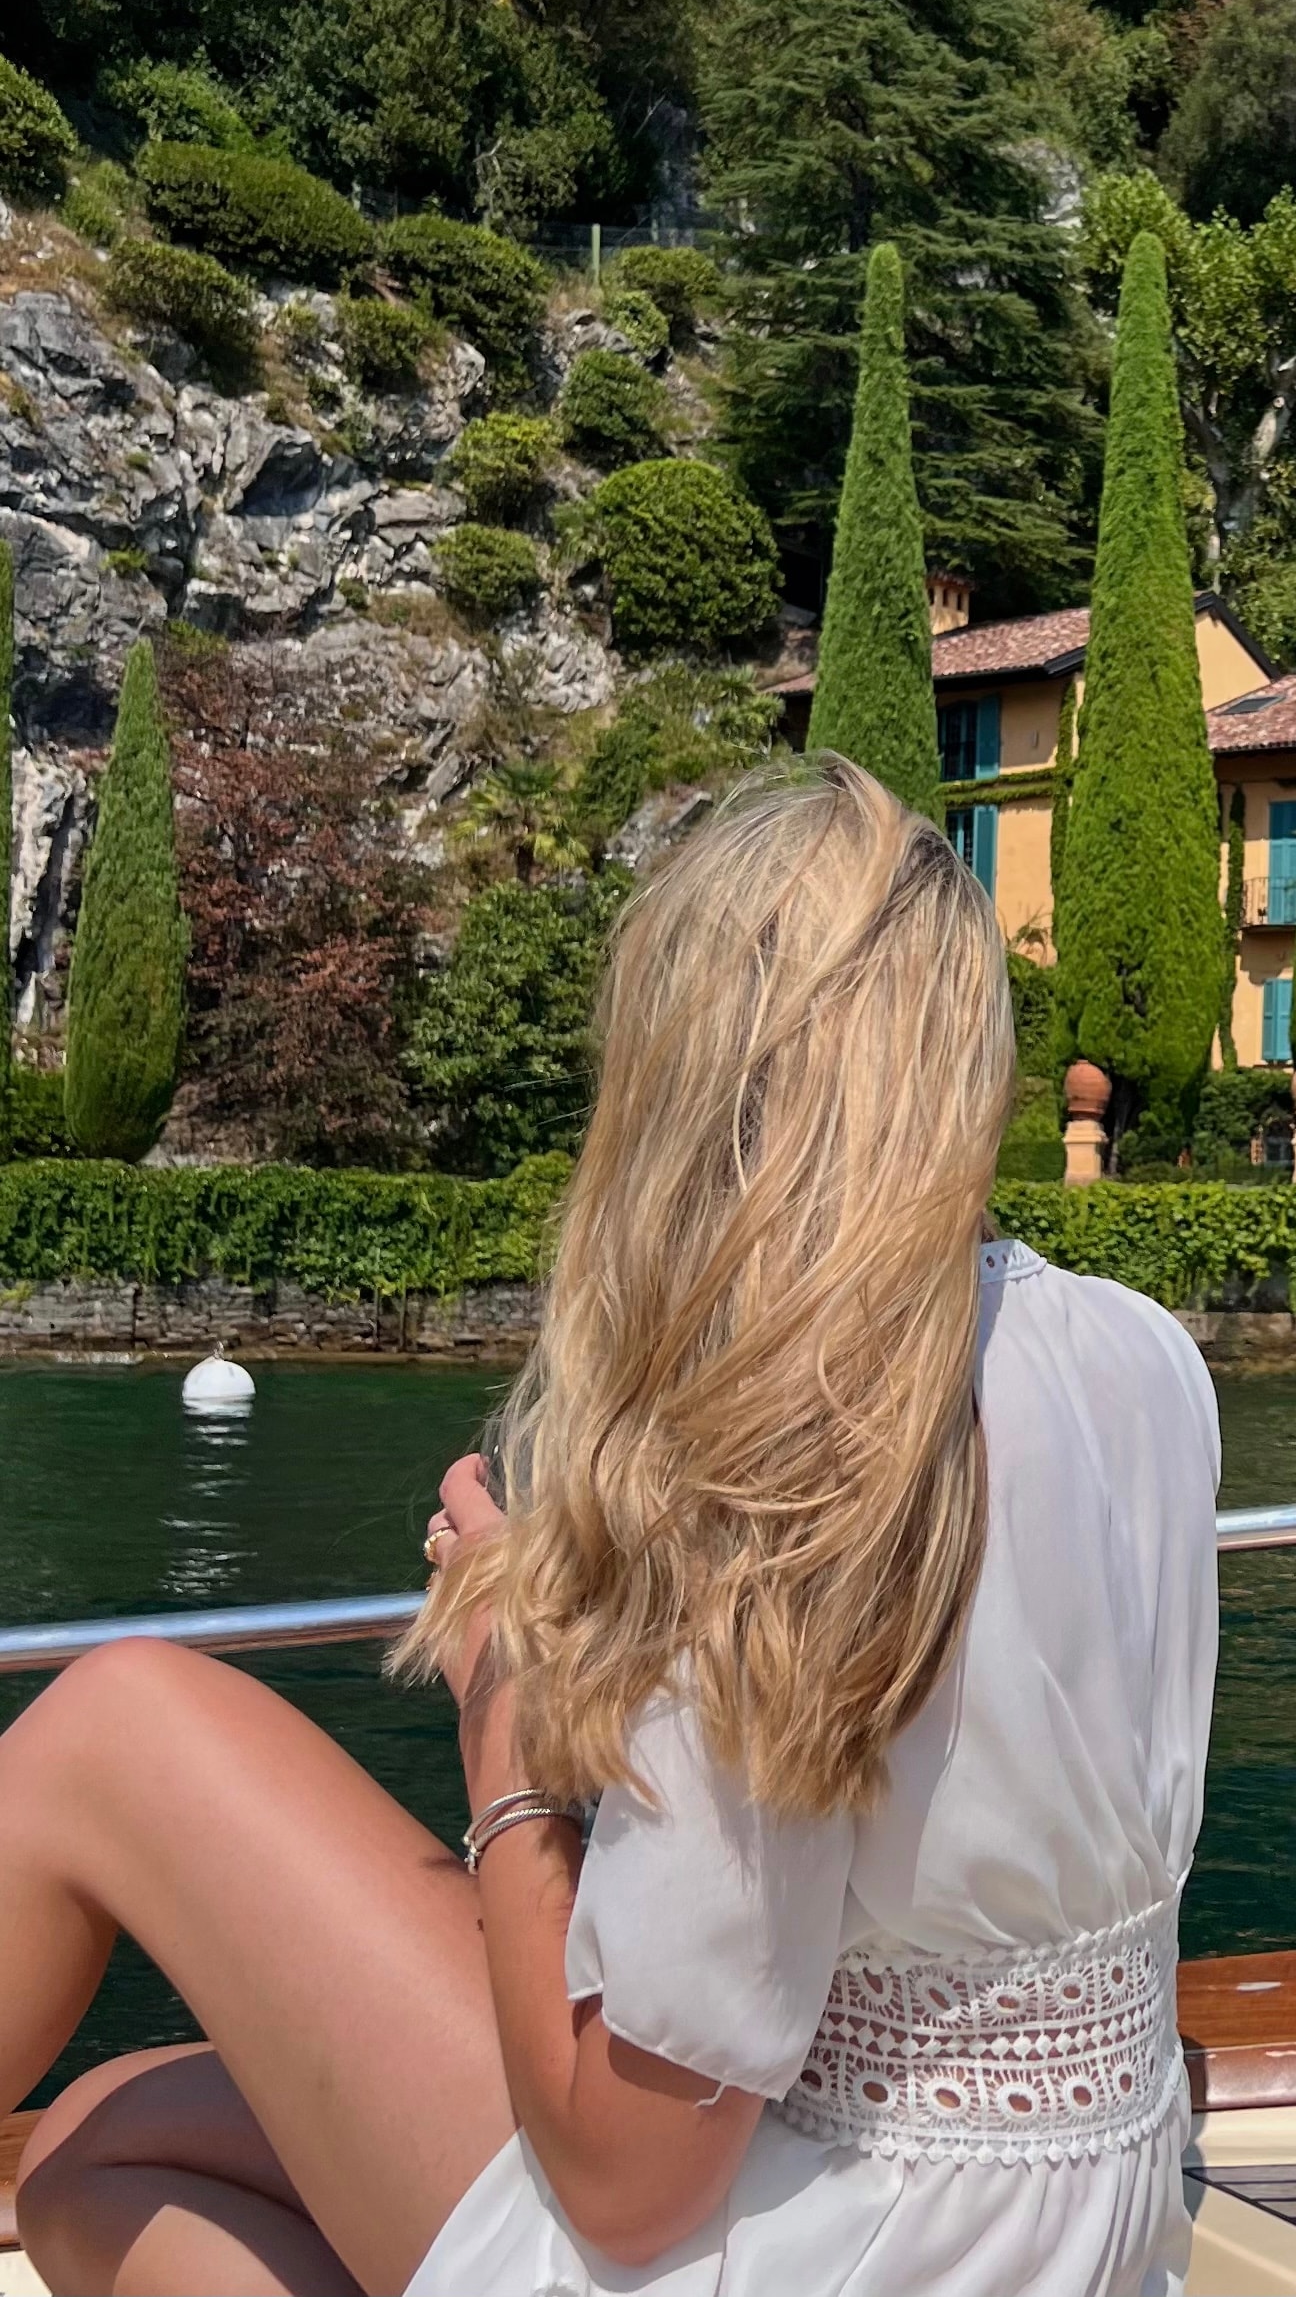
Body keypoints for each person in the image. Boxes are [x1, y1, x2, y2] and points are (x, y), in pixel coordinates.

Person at [1, 761, 1220, 2296]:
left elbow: (630, 2186)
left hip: (818, 2248)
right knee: (88, 2147)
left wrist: (507, 1717)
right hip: (1070, 2237)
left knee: (119, 1722)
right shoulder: (1143, 1356)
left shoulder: (766, 1453)